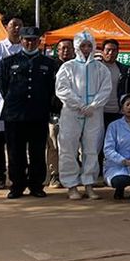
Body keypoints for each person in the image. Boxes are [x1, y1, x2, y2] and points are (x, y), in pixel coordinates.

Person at [0, 26, 56, 199]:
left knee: (37, 152)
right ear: (21, 40)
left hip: (38, 115)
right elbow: (4, 87)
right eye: (26, 40)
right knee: (15, 152)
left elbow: (51, 89)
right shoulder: (8, 62)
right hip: (15, 115)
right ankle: (17, 185)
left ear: (39, 41)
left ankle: (36, 185)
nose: (30, 43)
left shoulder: (48, 63)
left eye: (33, 40)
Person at [55, 31, 113, 200]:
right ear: (77, 46)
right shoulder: (68, 67)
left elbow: (106, 89)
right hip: (71, 113)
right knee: (68, 148)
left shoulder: (101, 69)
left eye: (89, 45)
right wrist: (79, 104)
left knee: (92, 148)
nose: (86, 49)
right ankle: (71, 185)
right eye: (83, 46)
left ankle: (89, 184)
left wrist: (93, 105)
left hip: (94, 113)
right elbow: (62, 88)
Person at [0, 16, 23, 190]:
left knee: (16, 143)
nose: (17, 28)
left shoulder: (25, 48)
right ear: (6, 27)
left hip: (20, 102)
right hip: (0, 98)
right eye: (14, 25)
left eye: (20, 25)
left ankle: (17, 177)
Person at [46, 38, 75, 188]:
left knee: (72, 145)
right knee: (53, 145)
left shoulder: (78, 66)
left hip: (74, 112)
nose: (65, 51)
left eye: (68, 48)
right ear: (57, 50)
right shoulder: (50, 66)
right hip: (54, 112)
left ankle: (71, 174)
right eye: (62, 48)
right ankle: (54, 175)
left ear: (74, 50)